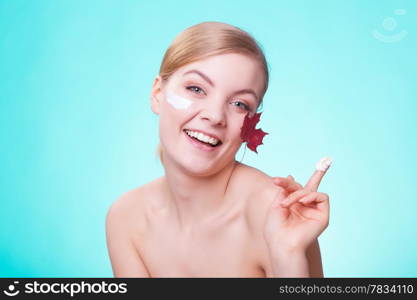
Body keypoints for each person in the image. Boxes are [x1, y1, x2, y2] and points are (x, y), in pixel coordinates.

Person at [105, 21, 331, 277]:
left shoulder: (276, 213)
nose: (215, 116)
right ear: (158, 93)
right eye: (196, 89)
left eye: (239, 104)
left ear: (252, 120)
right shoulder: (126, 217)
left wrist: (288, 256)